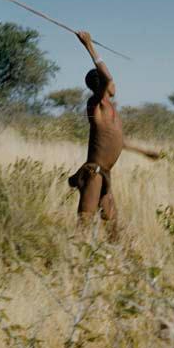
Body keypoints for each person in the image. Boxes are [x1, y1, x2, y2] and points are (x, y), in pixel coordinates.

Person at [68, 31, 160, 237]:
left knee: (113, 226)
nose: (114, 84)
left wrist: (144, 152)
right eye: (109, 83)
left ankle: (117, 264)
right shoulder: (97, 104)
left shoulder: (110, 110)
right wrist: (89, 45)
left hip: (104, 174)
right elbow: (107, 76)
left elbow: (118, 141)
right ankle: (71, 261)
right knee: (83, 224)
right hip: (94, 174)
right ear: (101, 86)